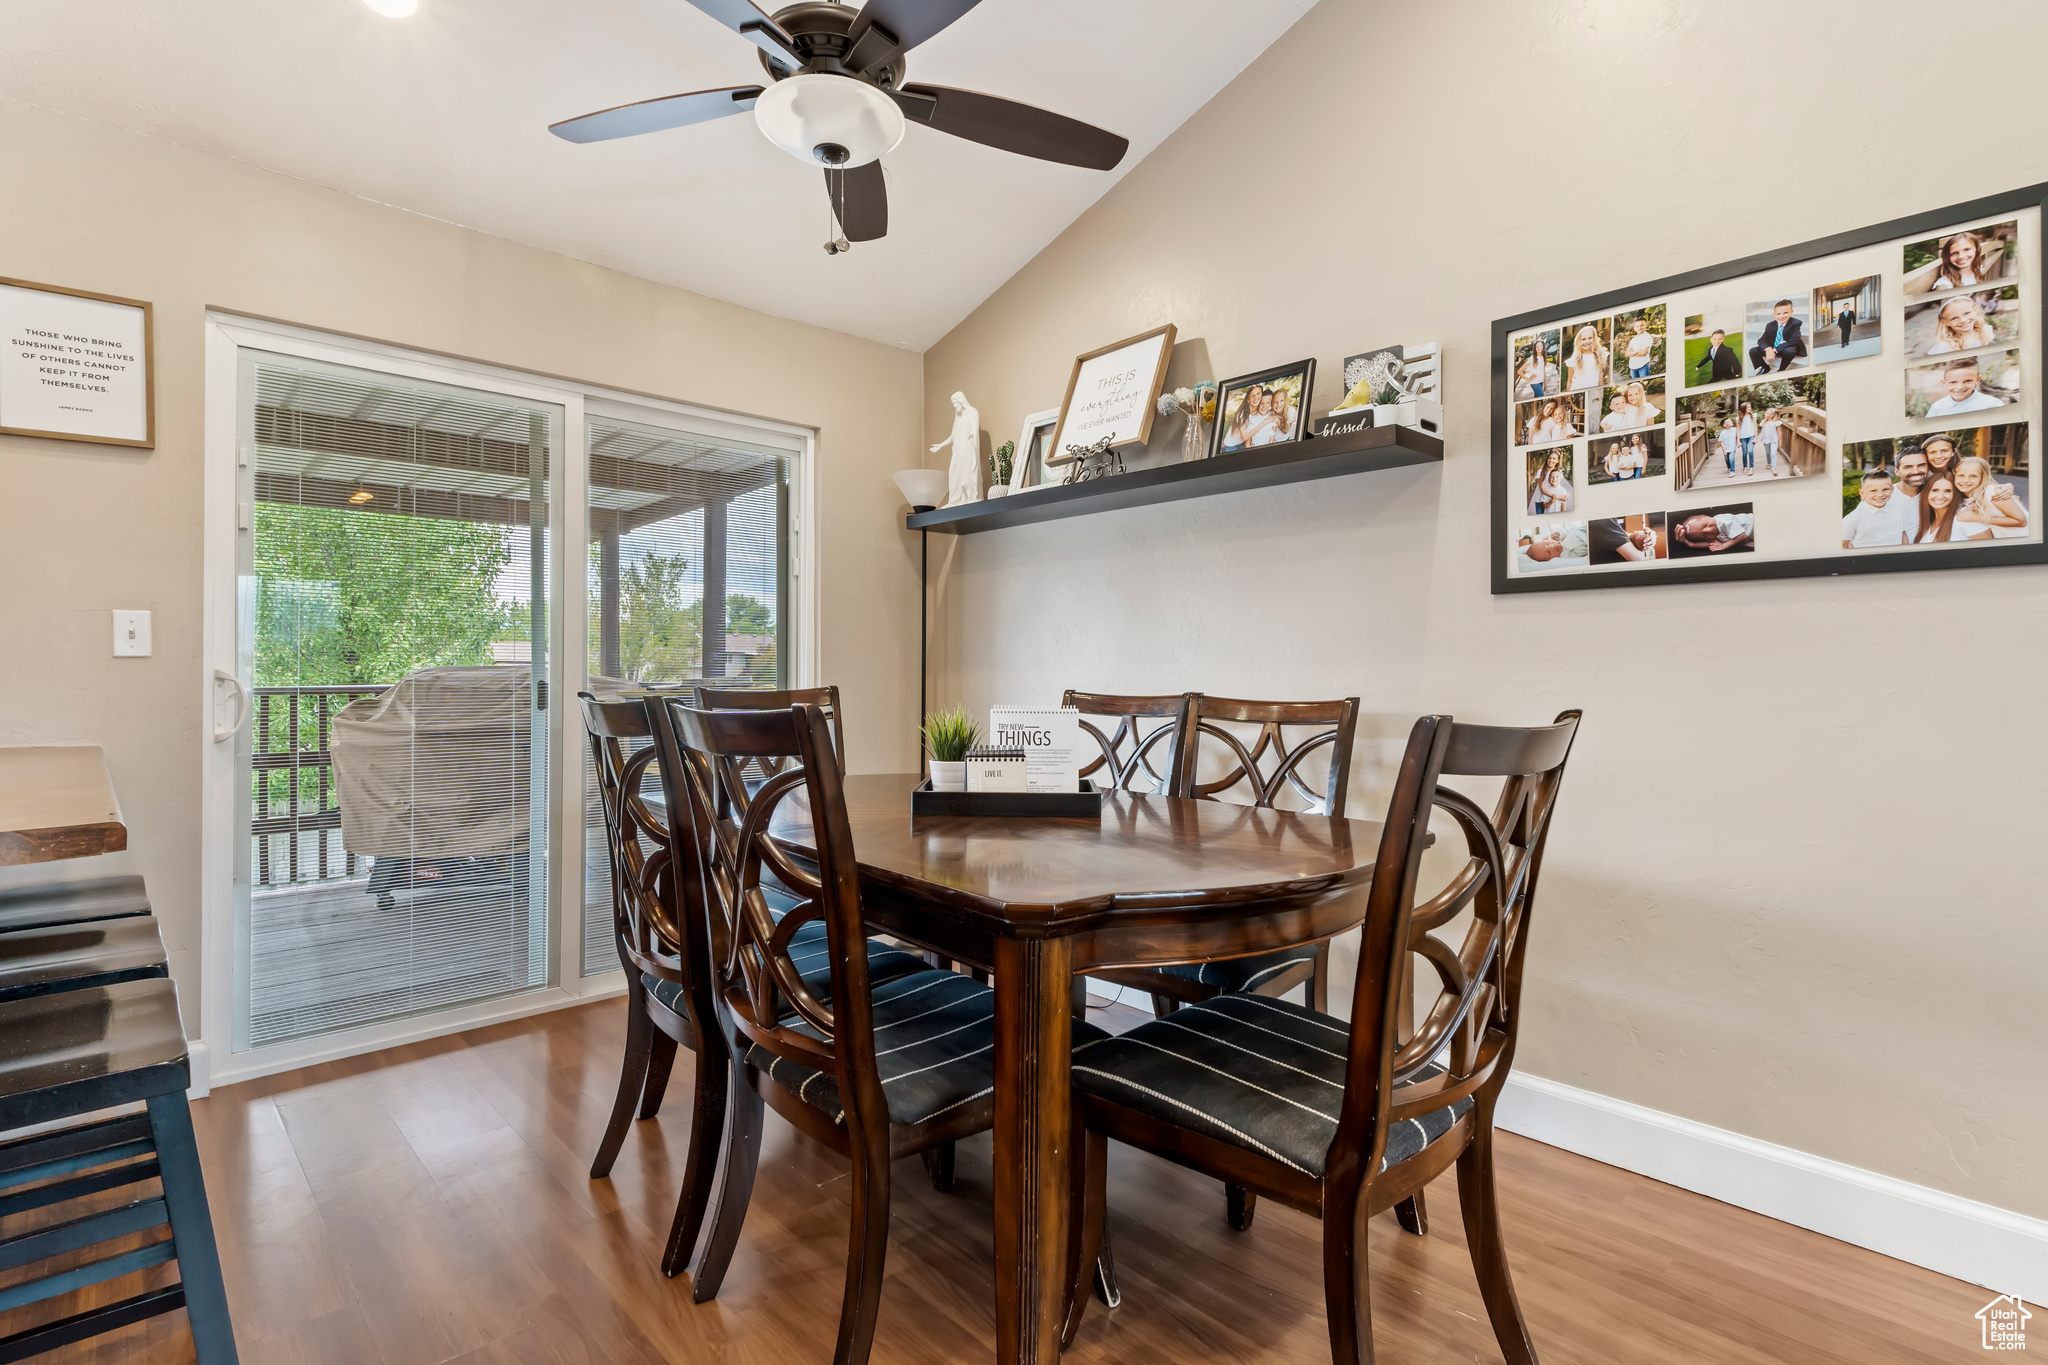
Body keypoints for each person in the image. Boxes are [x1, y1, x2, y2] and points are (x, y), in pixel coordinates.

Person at [1953, 454, 2029, 537]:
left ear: (1983, 477)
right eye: (1961, 475)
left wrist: (1978, 518)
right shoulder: (1963, 496)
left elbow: (2021, 521)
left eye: (1973, 476)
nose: (1966, 480)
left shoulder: (1993, 493)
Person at [1842, 468, 1909, 548]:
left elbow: (1903, 536)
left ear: (1892, 490)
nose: (1880, 494)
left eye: (1885, 489)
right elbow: (1844, 545)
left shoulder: (1899, 511)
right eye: (1873, 491)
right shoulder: (1852, 519)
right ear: (1862, 493)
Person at [1915, 473, 1986, 543]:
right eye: (1935, 490)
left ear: (1955, 494)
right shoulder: (1928, 520)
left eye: (1947, 491)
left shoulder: (1965, 516)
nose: (1940, 496)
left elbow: (1987, 550)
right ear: (1926, 493)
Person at [1925, 356, 2009, 416]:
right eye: (1953, 382)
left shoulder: (1993, 404)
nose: (1960, 387)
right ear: (1943, 383)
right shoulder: (1937, 408)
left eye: (1967, 381)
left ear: (1977, 380)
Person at [1749, 299, 1806, 374]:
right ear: (1774, 315)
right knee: (1753, 351)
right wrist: (1768, 348)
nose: (1781, 316)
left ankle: (1781, 370)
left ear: (1791, 312)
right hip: (1773, 348)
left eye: (1785, 313)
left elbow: (1794, 340)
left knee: (1789, 351)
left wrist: (1775, 350)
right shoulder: (1770, 325)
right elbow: (1761, 340)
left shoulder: (1795, 323)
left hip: (1786, 347)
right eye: (1778, 314)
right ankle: (1765, 367)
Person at [1928, 295, 1995, 354]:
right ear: (1945, 322)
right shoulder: (1944, 346)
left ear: (1975, 310)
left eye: (1967, 313)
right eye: (1954, 318)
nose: (1963, 320)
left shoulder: (1987, 331)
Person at [1674, 510, 1753, 553]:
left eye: (1706, 525)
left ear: (1704, 516)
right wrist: (1689, 544)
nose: (1709, 530)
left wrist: (1724, 546)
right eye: (1705, 535)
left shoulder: (1724, 521)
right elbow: (1709, 544)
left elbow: (1742, 536)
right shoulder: (1716, 535)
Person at [1528, 448, 1571, 514]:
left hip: (1551, 500)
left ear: (1557, 461)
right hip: (1540, 499)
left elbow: (1558, 486)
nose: (1551, 460)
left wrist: (1566, 494)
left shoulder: (1559, 472)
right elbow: (1542, 489)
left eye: (1554, 458)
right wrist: (1559, 497)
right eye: (1550, 458)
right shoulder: (1540, 472)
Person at [1565, 324, 1608, 390]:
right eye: (1583, 339)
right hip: (1577, 393)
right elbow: (1570, 381)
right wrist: (1569, 397)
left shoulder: (1600, 356)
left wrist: (1600, 391)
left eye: (1590, 338)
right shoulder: (1574, 360)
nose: (1587, 342)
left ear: (1594, 339)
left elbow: (1600, 374)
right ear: (1578, 341)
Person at [1757, 407, 1784, 475]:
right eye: (1766, 412)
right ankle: (1769, 463)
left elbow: (1779, 432)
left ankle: (1773, 468)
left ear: (1772, 415)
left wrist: (1780, 442)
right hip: (1766, 440)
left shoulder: (1776, 422)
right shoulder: (1764, 422)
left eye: (1767, 413)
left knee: (1773, 454)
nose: (1765, 414)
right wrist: (1758, 437)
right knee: (1768, 453)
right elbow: (1762, 430)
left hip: (1774, 440)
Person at [1737, 402, 1758, 471]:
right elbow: (1738, 430)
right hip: (1743, 438)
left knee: (1750, 451)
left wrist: (1755, 438)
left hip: (1751, 436)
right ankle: (1745, 467)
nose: (1750, 408)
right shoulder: (1739, 418)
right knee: (1745, 452)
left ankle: (1751, 467)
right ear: (1744, 408)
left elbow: (1755, 427)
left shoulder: (1753, 416)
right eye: (1748, 407)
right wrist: (1738, 441)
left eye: (1750, 407)